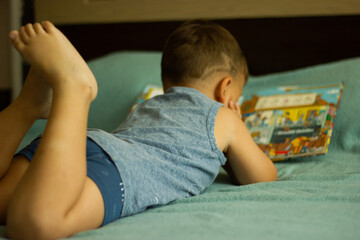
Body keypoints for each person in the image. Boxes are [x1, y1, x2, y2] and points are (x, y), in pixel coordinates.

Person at [0, 20, 277, 239]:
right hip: (117, 171)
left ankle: (29, 105)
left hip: (76, 145)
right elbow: (263, 175)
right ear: (225, 87)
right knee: (36, 225)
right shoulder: (224, 118)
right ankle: (73, 88)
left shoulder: (147, 106)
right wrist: (236, 124)